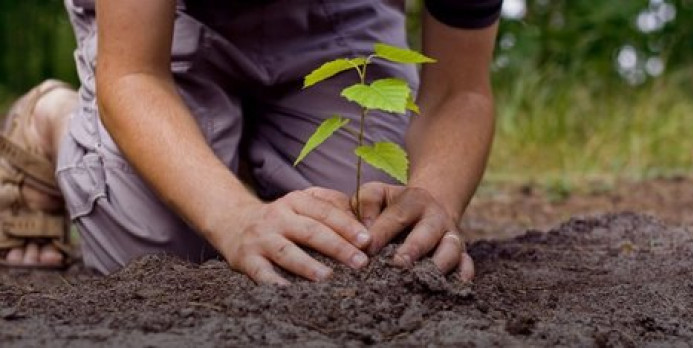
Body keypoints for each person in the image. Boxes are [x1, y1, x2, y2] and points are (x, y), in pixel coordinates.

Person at [0, 0, 501, 284]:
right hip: (164, 19)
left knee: (364, 233)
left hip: (336, 12)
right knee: (160, 255)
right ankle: (54, 120)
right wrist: (233, 218)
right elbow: (133, 73)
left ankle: (221, 153)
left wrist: (434, 197)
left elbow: (461, 90)